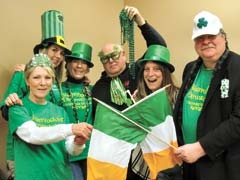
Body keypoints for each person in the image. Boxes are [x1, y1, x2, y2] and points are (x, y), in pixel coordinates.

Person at [92, 6, 167, 180]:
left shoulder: (139, 71)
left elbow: (158, 46)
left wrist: (141, 21)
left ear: (124, 54)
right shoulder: (97, 88)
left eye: (115, 55)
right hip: (114, 155)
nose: (111, 61)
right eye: (105, 58)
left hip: (143, 148)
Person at [0, 10, 70, 180]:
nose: (58, 56)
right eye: (54, 50)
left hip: (51, 152)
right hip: (26, 152)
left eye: (61, 53)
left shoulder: (57, 82)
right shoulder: (22, 74)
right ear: (42, 49)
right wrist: (10, 102)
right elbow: (6, 112)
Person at [173, 10, 240, 180]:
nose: (206, 41)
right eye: (200, 38)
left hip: (221, 165)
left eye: (212, 35)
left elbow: (238, 120)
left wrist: (201, 148)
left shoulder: (237, 68)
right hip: (189, 161)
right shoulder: (190, 69)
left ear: (224, 37)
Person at [8, 53, 93, 180]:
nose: (43, 83)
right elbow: (33, 134)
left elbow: (71, 150)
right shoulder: (17, 107)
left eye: (47, 78)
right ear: (27, 80)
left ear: (52, 81)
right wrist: (71, 128)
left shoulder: (60, 111)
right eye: (36, 77)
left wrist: (78, 143)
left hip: (62, 176)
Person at [133, 44, 181, 180]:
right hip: (147, 163)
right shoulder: (138, 100)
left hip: (175, 164)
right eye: (146, 69)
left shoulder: (179, 97)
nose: (150, 74)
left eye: (156, 69)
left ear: (165, 73)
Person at [61, 42, 94, 180]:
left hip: (91, 153)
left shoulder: (92, 89)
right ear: (67, 64)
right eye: (75, 61)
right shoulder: (57, 89)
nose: (79, 66)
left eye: (84, 63)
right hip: (67, 153)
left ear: (87, 69)